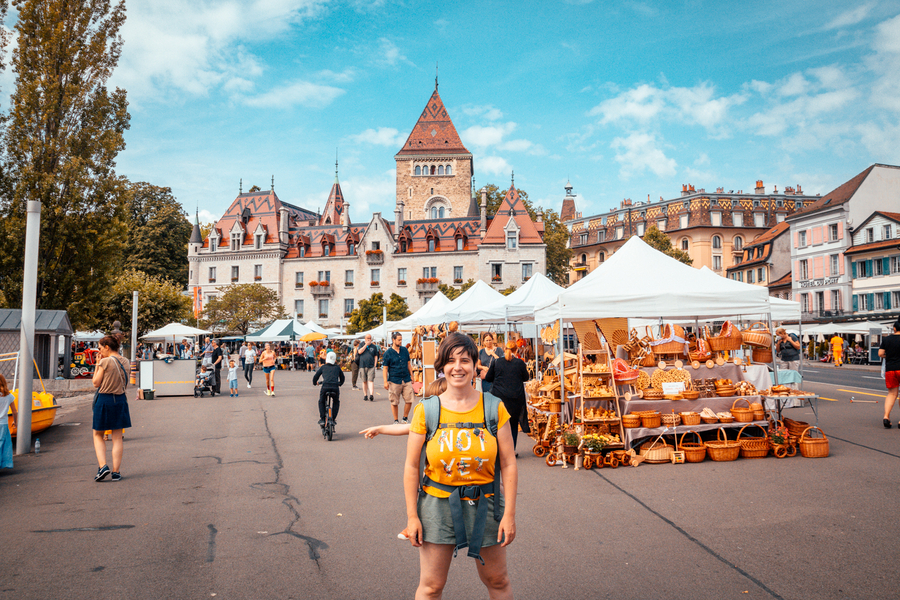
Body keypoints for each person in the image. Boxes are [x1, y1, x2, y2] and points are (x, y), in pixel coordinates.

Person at [403, 332, 517, 598]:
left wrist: (509, 514)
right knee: (431, 586)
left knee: (498, 580)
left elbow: (509, 463)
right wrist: (412, 516)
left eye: (465, 360)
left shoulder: (494, 407)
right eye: (451, 360)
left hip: (487, 504)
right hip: (437, 504)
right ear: (441, 366)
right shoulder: (426, 410)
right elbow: (411, 467)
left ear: (475, 365)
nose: (458, 367)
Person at [91, 335, 132, 482]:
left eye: (100, 348)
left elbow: (96, 383)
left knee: (97, 434)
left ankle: (103, 466)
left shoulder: (105, 361)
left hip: (105, 399)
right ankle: (116, 472)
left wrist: (97, 364)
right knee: (117, 437)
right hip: (120, 399)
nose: (99, 351)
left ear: (107, 347)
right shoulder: (126, 361)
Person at [485, 340, 531, 453]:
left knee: (498, 423)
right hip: (515, 398)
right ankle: (511, 451)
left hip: (499, 398)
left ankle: (498, 449)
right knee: (513, 424)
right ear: (516, 350)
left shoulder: (497, 362)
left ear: (505, 349)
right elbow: (526, 377)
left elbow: (488, 378)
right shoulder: (520, 363)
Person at [383, 331, 414, 425]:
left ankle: (405, 418)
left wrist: (412, 375)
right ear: (393, 340)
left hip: (406, 378)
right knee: (394, 401)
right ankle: (396, 420)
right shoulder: (388, 353)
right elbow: (385, 368)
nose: (401, 341)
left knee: (409, 399)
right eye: (399, 340)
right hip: (394, 380)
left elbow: (409, 364)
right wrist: (385, 381)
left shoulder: (404, 350)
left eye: (401, 339)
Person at [313, 351, 345, 427]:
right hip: (335, 387)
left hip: (325, 387)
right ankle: (333, 419)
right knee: (336, 402)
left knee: (321, 401)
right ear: (335, 360)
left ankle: (323, 419)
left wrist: (315, 383)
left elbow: (315, 377)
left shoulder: (323, 367)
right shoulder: (337, 367)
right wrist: (340, 383)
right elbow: (342, 378)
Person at [879, 320, 900, 428]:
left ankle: (886, 417)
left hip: (890, 369)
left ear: (894, 329)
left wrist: (890, 356)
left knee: (892, 394)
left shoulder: (886, 339)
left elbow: (880, 353)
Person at [357, 333, 380, 402]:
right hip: (362, 365)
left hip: (371, 366)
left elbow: (376, 355)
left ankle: (371, 395)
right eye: (367, 338)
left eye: (370, 338)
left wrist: (375, 364)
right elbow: (359, 352)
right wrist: (366, 344)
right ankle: (365, 395)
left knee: (370, 380)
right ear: (365, 339)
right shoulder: (361, 344)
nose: (368, 340)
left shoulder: (374, 346)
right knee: (364, 381)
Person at [0, 374, 15, 469]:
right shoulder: (9, 396)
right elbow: (15, 411)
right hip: (3, 424)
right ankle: (4, 463)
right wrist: (15, 422)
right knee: (3, 444)